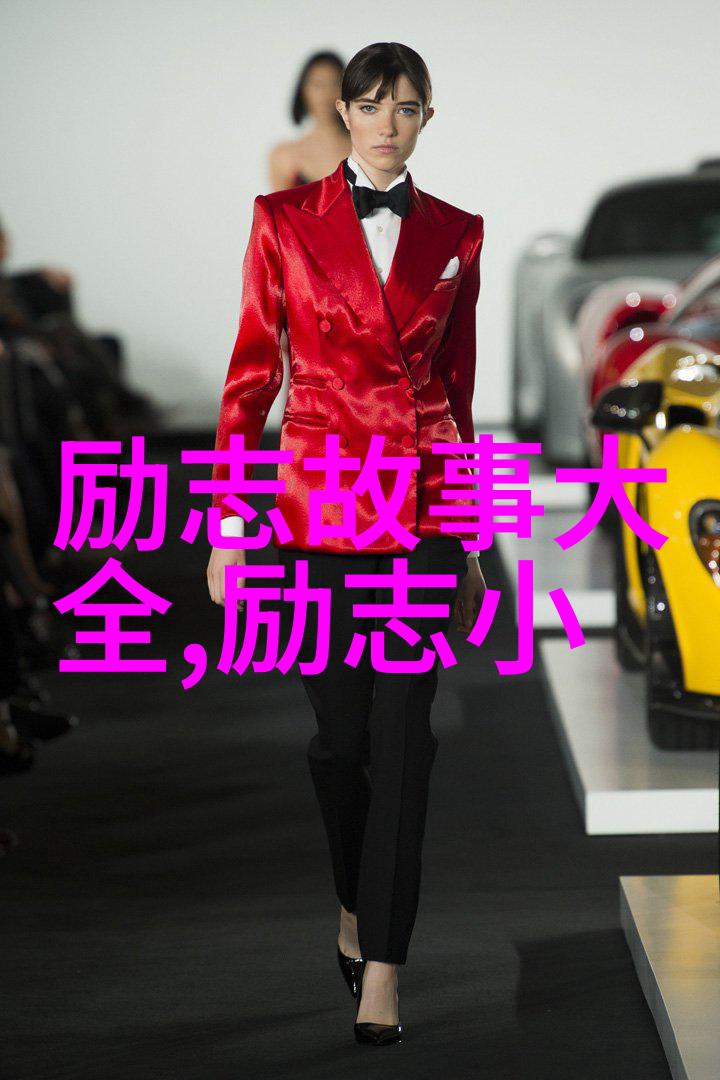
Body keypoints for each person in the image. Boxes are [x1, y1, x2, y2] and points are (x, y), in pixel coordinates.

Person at [207, 41, 487, 1046]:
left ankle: (385, 972)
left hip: (420, 512)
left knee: (405, 738)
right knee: (340, 743)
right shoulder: (282, 219)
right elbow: (251, 377)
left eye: (406, 108)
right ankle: (353, 903)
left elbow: (455, 391)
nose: (386, 124)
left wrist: (470, 532)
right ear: (345, 113)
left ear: (426, 118)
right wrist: (230, 524)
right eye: (371, 105)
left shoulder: (458, 232)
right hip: (317, 507)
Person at [268, 50, 350, 191]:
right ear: (303, 91)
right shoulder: (284, 156)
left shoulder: (365, 151)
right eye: (318, 84)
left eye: (335, 83)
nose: (326, 93)